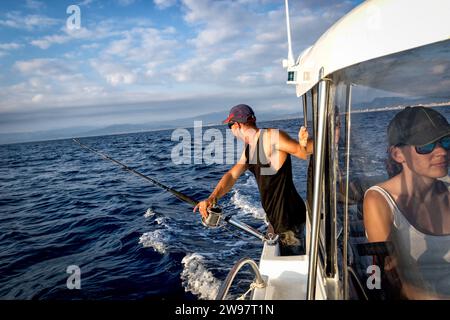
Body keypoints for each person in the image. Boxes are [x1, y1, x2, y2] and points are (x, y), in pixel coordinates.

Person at [193, 104, 313, 255]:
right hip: (277, 220)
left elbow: (302, 152)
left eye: (230, 126)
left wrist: (304, 142)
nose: (231, 130)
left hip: (289, 221)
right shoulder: (250, 147)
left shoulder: (271, 137)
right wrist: (212, 197)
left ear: (237, 125)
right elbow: (232, 175)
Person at [363, 106, 450, 299]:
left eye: (446, 141)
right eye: (426, 146)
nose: (442, 152)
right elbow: (383, 276)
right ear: (398, 154)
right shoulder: (378, 200)